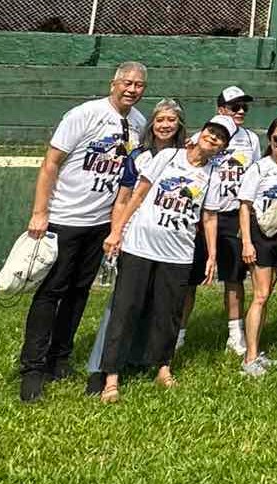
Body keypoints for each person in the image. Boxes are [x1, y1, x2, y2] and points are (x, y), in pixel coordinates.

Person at [18, 61, 148, 403]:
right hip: (64, 218)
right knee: (50, 292)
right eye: (127, 83)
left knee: (78, 292)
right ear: (114, 83)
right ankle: (32, 368)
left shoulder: (138, 123)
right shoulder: (84, 114)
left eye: (139, 85)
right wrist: (40, 212)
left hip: (99, 224)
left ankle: (59, 358)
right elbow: (51, 162)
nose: (132, 89)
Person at [97, 119, 229, 402]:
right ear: (199, 133)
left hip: (178, 253)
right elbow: (139, 193)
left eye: (220, 139)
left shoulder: (212, 175)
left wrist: (212, 255)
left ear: (222, 148)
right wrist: (117, 230)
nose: (213, 139)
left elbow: (209, 216)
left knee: (168, 313)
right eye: (211, 132)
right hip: (140, 246)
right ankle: (111, 377)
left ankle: (163, 366)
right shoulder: (169, 156)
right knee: (126, 309)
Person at [85, 97, 186, 396]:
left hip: (170, 244)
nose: (165, 125)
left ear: (179, 125)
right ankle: (103, 371)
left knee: (161, 307)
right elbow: (124, 198)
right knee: (123, 306)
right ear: (152, 124)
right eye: (160, 119)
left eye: (171, 120)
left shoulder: (188, 156)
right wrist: (116, 232)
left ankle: (149, 361)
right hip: (136, 241)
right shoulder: (139, 156)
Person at [179, 86, 262, 354]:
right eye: (233, 106)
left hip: (233, 214)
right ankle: (178, 334)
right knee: (190, 278)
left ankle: (234, 335)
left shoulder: (251, 140)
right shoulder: (202, 137)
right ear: (220, 109)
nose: (240, 112)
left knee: (234, 278)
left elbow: (256, 176)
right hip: (200, 215)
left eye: (243, 107)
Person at [237, 116, 277, 379]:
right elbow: (244, 205)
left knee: (266, 295)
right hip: (260, 234)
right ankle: (249, 357)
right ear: (270, 140)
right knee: (260, 296)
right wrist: (247, 242)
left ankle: (255, 350)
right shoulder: (259, 168)